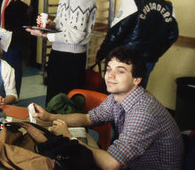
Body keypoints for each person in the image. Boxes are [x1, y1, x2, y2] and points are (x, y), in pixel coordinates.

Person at [33, 46, 184, 170]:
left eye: (120, 71)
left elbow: (111, 164)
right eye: (109, 69)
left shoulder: (143, 113)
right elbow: (88, 118)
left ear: (136, 80)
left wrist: (68, 138)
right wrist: (50, 117)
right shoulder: (117, 96)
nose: (110, 76)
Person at [26, 0, 97, 104]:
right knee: (53, 104)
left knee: (62, 108)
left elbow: (76, 35)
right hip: (62, 56)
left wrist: (44, 35)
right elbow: (67, 24)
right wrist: (52, 25)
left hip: (69, 60)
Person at [96, 0, 179, 87]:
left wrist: (101, 53)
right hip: (149, 61)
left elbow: (116, 32)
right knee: (137, 96)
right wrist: (155, 54)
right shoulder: (168, 6)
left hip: (125, 60)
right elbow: (173, 36)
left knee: (116, 97)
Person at [0, 0, 31, 96]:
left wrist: (0, 32)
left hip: (13, 43)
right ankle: (8, 96)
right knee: (7, 71)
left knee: (13, 71)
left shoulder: (18, 3)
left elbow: (18, 28)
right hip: (6, 41)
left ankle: (13, 97)